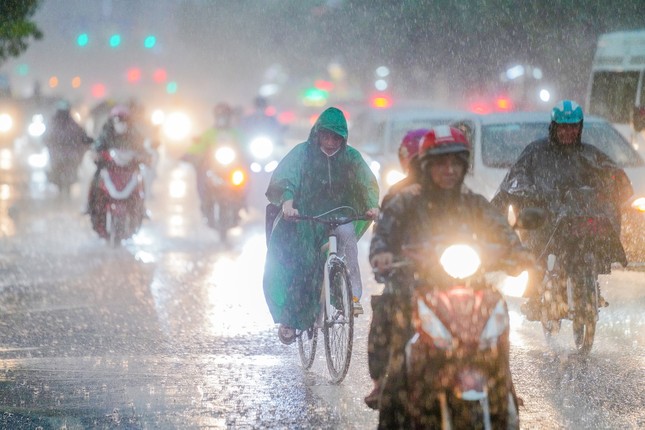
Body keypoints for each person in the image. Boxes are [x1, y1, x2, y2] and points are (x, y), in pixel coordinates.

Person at [369, 125, 530, 428]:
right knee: (396, 338)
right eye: (441, 163)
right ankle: (388, 398)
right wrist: (383, 253)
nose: (448, 170)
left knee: (497, 315)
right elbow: (384, 235)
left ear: (463, 166)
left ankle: (503, 388)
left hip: (471, 288)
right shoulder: (406, 202)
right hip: (418, 287)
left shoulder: (474, 203)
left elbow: (504, 233)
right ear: (427, 166)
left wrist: (521, 255)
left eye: (455, 163)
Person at [491, 100, 633, 319]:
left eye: (573, 127)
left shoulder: (589, 154)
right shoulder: (535, 152)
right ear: (554, 127)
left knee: (598, 234)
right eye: (563, 127)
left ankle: (590, 284)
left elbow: (613, 174)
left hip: (580, 218)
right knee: (536, 247)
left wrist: (614, 184)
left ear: (580, 127)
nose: (568, 132)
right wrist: (529, 193)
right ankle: (538, 294)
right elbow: (516, 178)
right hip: (546, 220)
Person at [263, 106, 379, 345]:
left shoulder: (351, 158)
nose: (330, 142)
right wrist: (288, 203)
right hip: (306, 218)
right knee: (304, 264)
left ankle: (351, 296)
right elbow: (288, 179)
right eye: (326, 136)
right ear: (317, 134)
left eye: (336, 137)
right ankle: (292, 318)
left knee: (348, 244)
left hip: (340, 215)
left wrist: (371, 205)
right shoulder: (302, 154)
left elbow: (366, 182)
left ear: (343, 138)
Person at [364, 127, 427, 409]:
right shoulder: (397, 196)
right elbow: (382, 234)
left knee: (487, 313)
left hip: (450, 278)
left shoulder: (459, 196)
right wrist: (382, 255)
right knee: (387, 311)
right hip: (406, 275)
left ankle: (500, 380)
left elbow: (482, 228)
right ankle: (382, 379)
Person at [86, 105, 148, 232]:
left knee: (140, 181)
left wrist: (144, 157)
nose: (121, 124)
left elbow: (142, 149)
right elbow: (97, 147)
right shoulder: (106, 133)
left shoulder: (134, 135)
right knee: (95, 180)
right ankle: (89, 205)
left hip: (129, 170)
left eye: (124, 120)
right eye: (118, 120)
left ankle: (142, 207)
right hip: (109, 168)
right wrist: (97, 155)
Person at [184, 103, 244, 222]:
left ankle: (242, 200)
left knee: (245, 175)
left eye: (224, 116)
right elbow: (198, 145)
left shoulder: (236, 134)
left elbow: (245, 146)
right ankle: (204, 202)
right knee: (201, 175)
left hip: (232, 166)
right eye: (220, 116)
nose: (222, 119)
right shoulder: (209, 133)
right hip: (213, 166)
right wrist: (188, 154)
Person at [43, 100, 93, 194]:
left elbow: (82, 136)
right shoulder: (67, 124)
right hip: (61, 157)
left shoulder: (69, 124)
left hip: (68, 157)